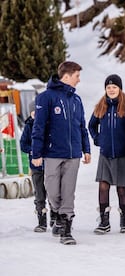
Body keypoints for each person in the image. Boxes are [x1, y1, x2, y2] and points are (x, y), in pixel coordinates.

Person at [31, 61, 91, 245]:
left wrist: (86, 149)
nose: (79, 80)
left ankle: (66, 227)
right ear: (67, 76)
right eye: (77, 76)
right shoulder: (45, 98)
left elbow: (82, 126)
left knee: (68, 191)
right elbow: (38, 127)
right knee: (52, 190)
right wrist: (36, 153)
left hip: (73, 154)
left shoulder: (76, 99)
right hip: (52, 153)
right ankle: (56, 212)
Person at [88, 74, 125, 235]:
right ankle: (104, 221)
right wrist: (97, 139)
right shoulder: (101, 106)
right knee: (103, 186)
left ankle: (124, 219)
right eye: (108, 87)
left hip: (122, 154)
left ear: (120, 89)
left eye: (114, 87)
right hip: (105, 154)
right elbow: (91, 126)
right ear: (105, 89)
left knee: (121, 188)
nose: (111, 90)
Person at [20, 101, 49, 232]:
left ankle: (55, 216)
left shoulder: (49, 125)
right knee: (39, 193)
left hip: (50, 165)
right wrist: (33, 150)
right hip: (36, 167)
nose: (36, 116)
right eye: (33, 113)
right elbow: (23, 144)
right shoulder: (28, 126)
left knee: (53, 193)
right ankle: (41, 220)